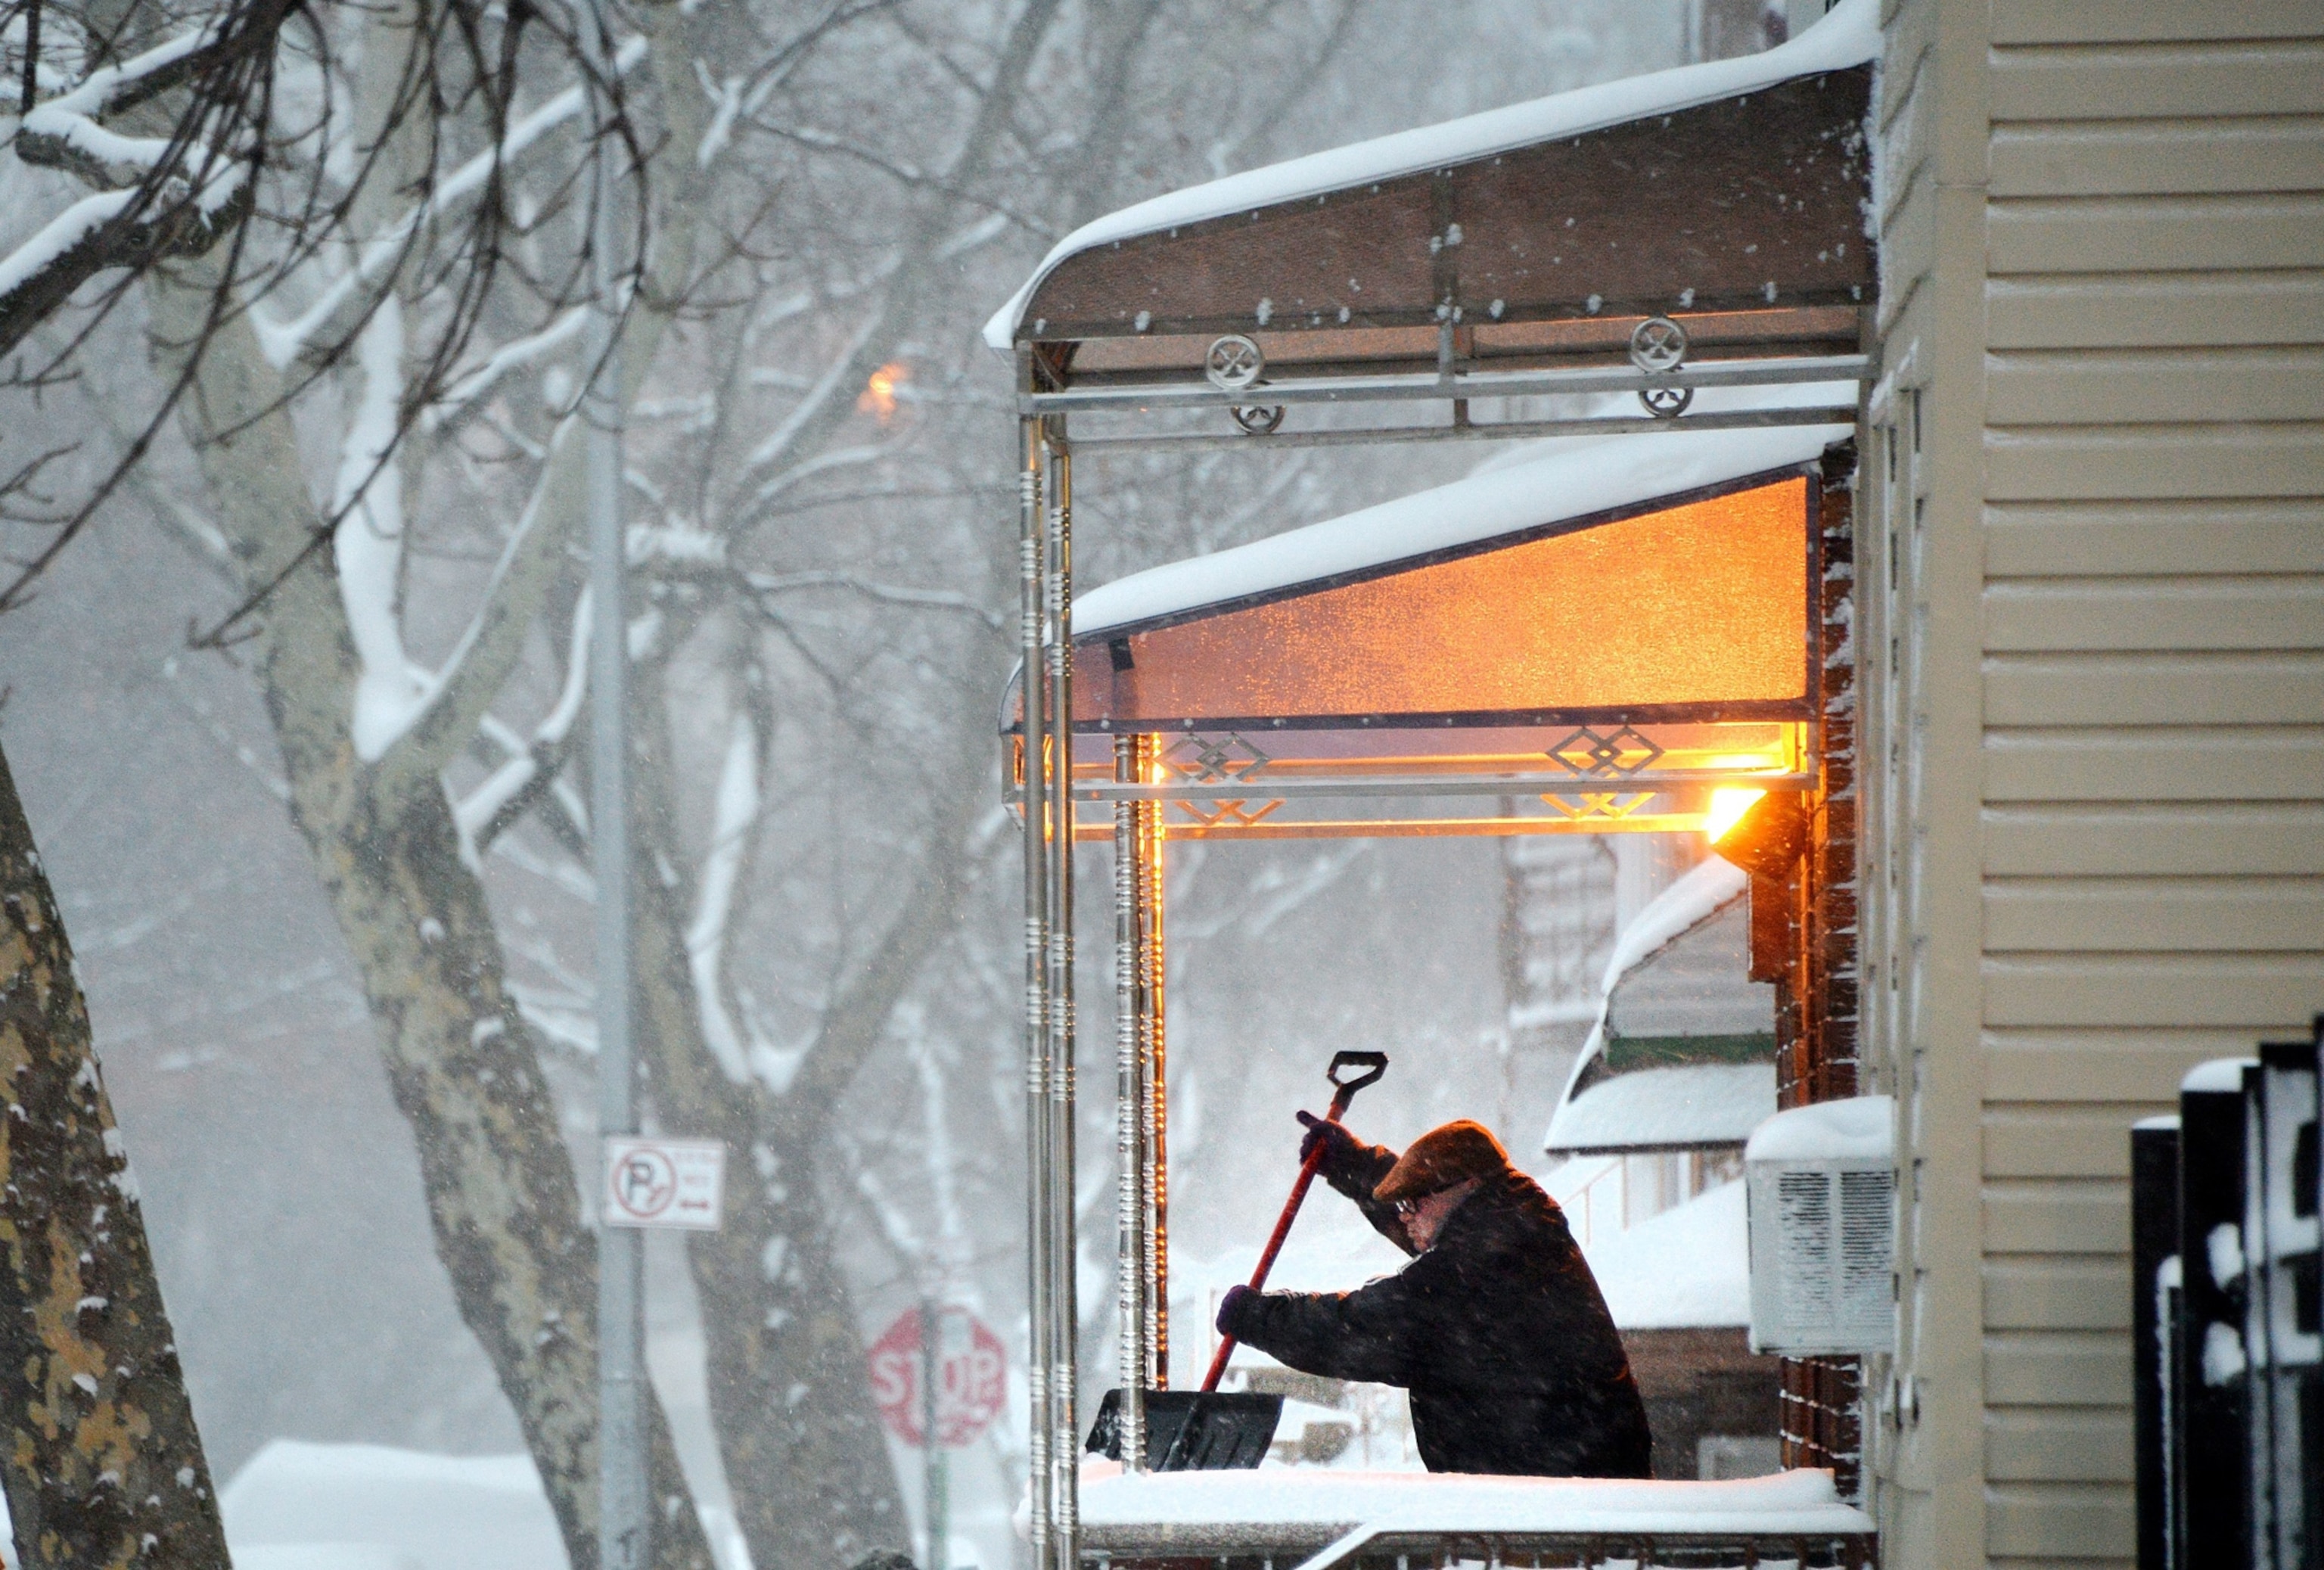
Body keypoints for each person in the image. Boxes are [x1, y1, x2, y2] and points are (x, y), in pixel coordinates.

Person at [1214, 1116, 1651, 1478]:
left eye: (1412, 1204)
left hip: (1555, 1514)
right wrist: (1354, 1165)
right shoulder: (1512, 1225)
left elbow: (1361, 1330)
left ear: (1468, 1186)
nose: (1404, 1220)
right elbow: (1427, 1214)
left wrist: (1260, 1318)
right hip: (1562, 1484)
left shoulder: (1480, 1270)